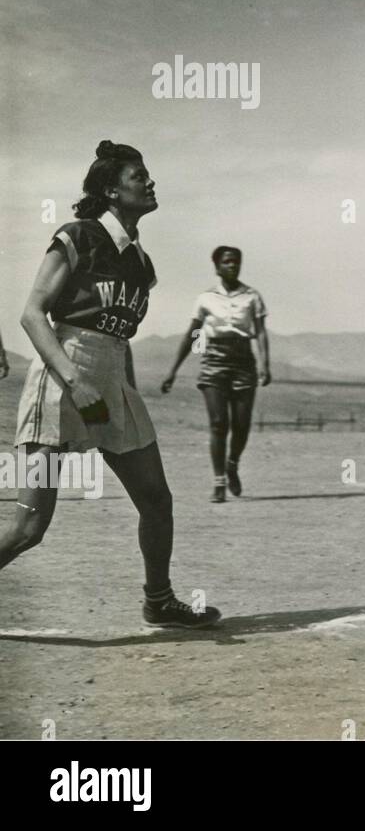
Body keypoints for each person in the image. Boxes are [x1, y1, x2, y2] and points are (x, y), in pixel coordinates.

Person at [1, 141, 221, 628]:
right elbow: (32, 315)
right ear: (110, 190)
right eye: (138, 175)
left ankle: (159, 601)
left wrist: (127, 395)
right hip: (64, 375)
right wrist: (74, 381)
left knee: (156, 501)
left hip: (114, 381)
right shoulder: (76, 235)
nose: (149, 182)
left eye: (147, 174)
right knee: (29, 527)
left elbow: (120, 338)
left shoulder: (140, 263)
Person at [162, 246, 271, 502]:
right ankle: (219, 481)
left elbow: (261, 332)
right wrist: (173, 371)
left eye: (236, 262)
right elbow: (193, 333)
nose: (233, 265)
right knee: (218, 423)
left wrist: (265, 364)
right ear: (217, 267)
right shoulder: (205, 298)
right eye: (227, 262)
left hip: (244, 361)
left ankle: (232, 463)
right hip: (214, 361)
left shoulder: (252, 296)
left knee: (241, 425)